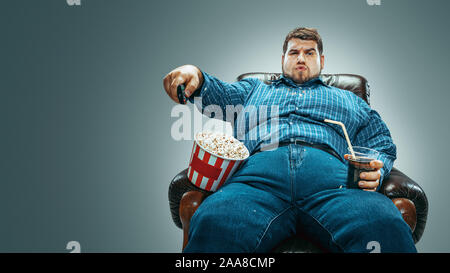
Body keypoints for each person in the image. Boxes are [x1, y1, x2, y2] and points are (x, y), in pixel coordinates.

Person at [163, 27, 417, 253]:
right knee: (214, 222)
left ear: (322, 60)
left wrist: (377, 168)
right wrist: (194, 74)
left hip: (335, 184)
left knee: (384, 224)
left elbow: (380, 140)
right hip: (256, 182)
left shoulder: (349, 99)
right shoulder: (254, 90)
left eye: (310, 53)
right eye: (294, 52)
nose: (301, 58)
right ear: (282, 59)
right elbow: (217, 93)